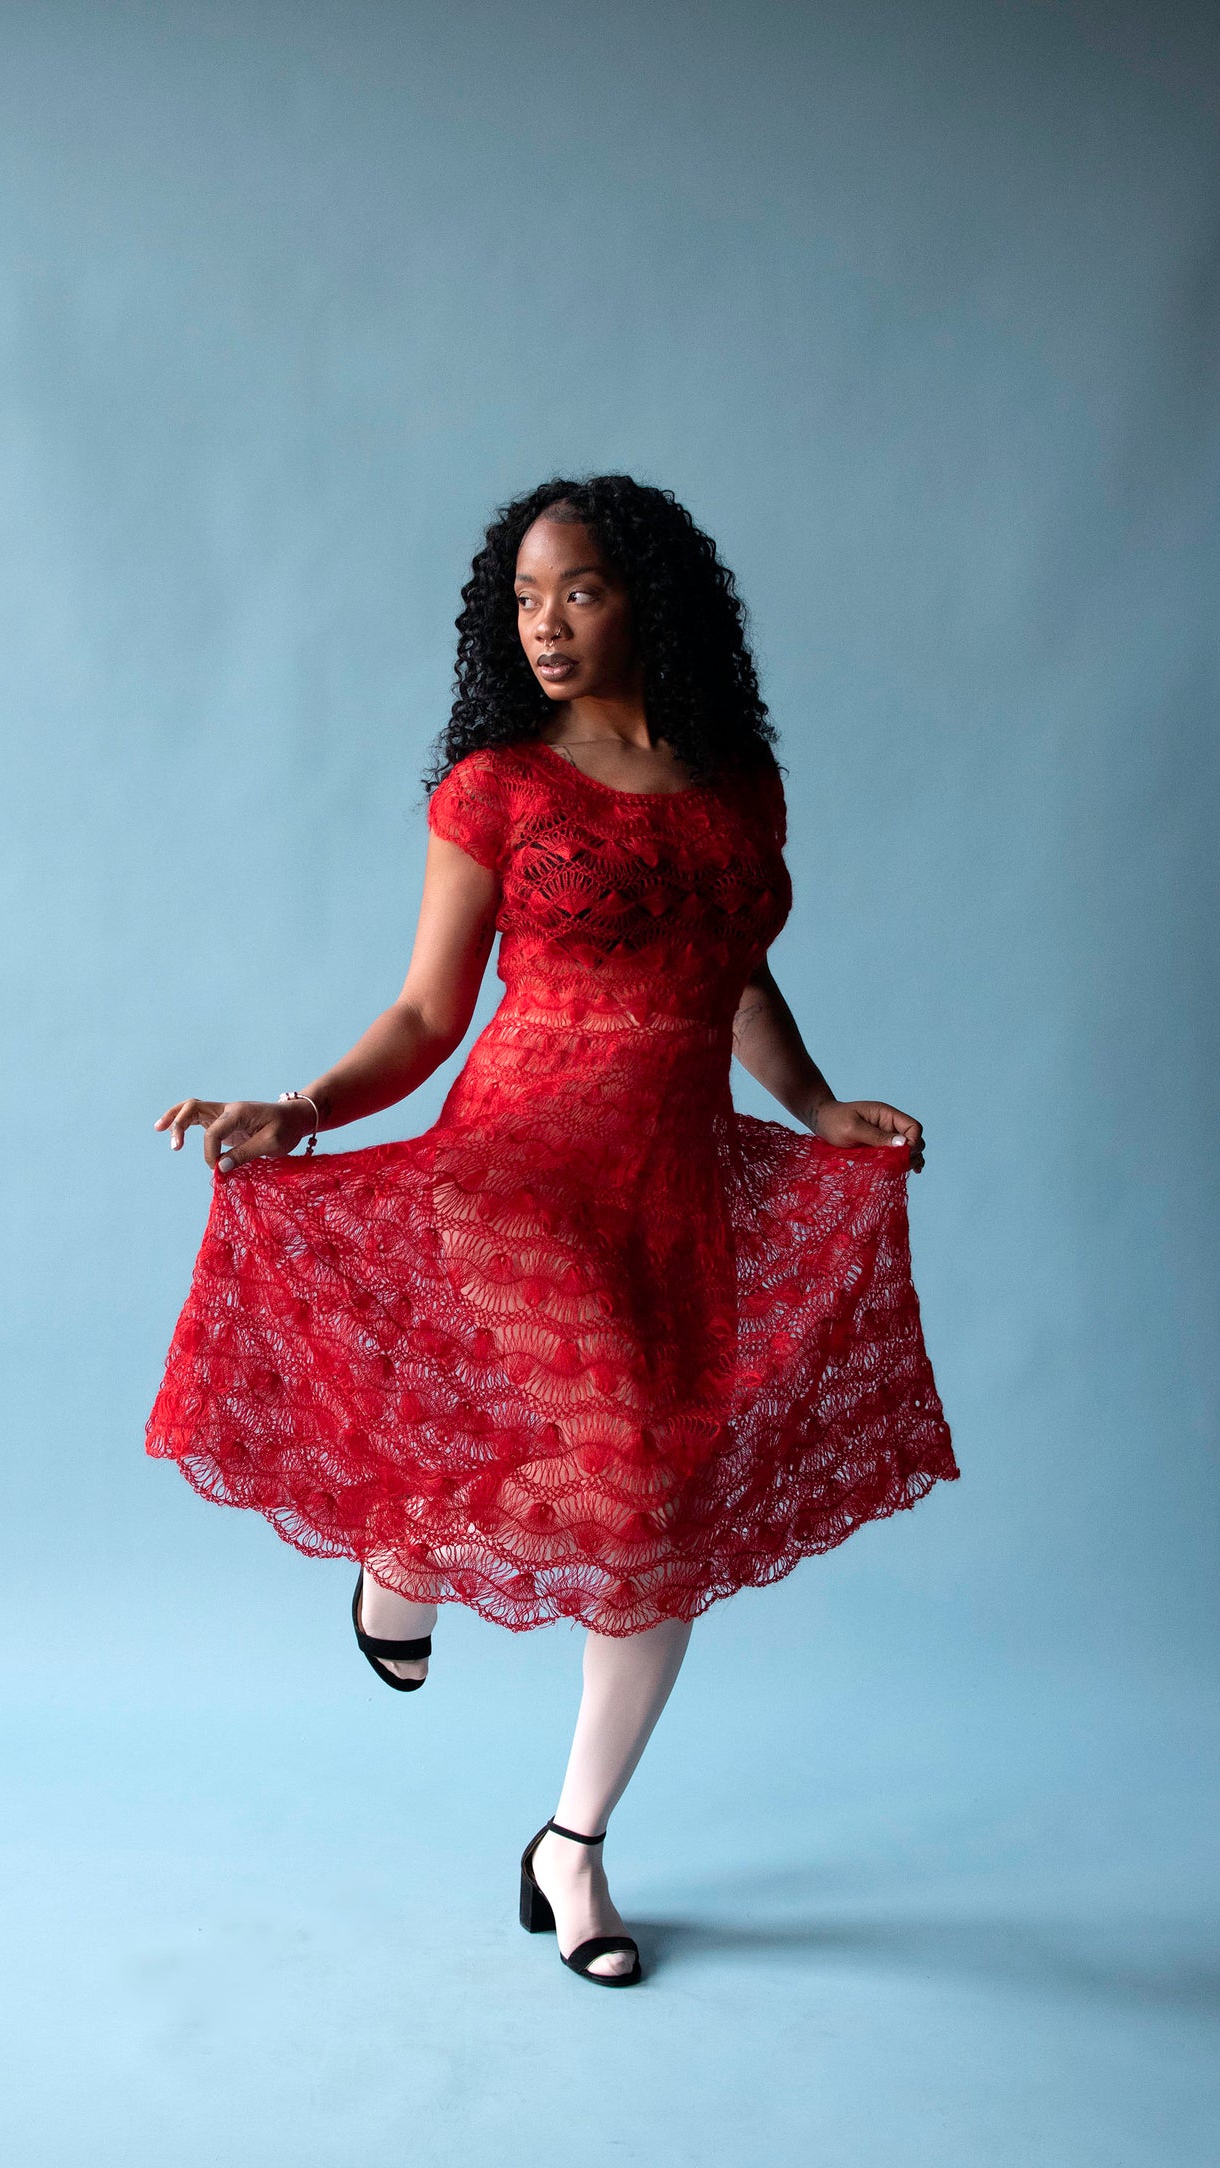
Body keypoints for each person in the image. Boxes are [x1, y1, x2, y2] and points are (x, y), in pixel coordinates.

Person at [147, 473, 958, 1988]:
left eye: (575, 590)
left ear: (649, 597)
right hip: (512, 1168)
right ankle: (414, 1551)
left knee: (664, 1512)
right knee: (640, 1490)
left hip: (677, 1176)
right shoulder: (497, 789)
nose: (545, 625)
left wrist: (819, 1105)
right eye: (522, 600)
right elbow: (422, 1014)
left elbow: (734, 976)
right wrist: (301, 1107)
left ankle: (565, 1843)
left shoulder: (739, 787)